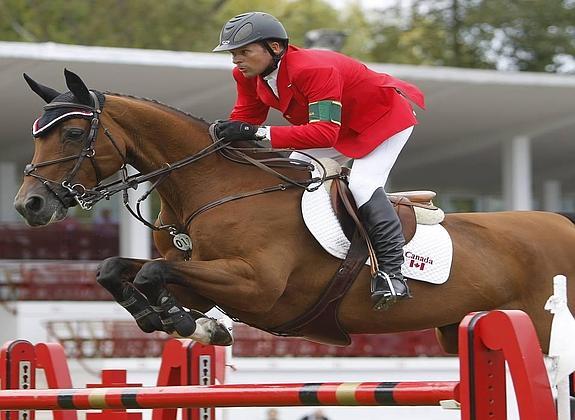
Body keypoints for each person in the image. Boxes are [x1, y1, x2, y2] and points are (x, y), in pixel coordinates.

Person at [212, 12, 426, 311]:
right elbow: (246, 117)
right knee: (293, 178)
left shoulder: (314, 68)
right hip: (336, 130)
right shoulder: (247, 75)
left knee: (362, 185)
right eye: (233, 53)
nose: (236, 60)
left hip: (382, 121)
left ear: (274, 48)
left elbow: (324, 131)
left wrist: (257, 133)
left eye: (244, 51)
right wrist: (221, 137)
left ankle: (392, 273)